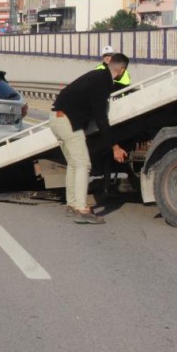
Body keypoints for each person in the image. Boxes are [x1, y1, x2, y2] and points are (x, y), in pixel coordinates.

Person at [49, 53, 130, 225]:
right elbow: (101, 119)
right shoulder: (102, 82)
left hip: (56, 119)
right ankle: (81, 208)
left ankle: (72, 205)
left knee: (73, 163)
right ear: (122, 70)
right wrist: (115, 147)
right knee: (83, 164)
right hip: (68, 121)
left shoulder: (97, 75)